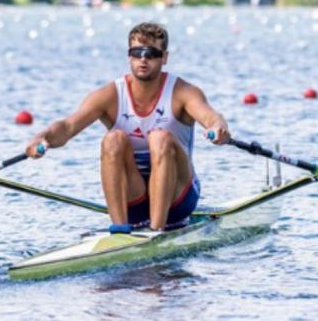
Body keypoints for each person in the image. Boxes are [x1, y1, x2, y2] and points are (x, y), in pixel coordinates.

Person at [25, 22, 230, 232]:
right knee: (113, 139)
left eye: (151, 53)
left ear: (164, 57)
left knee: (160, 138)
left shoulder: (183, 92)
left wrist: (218, 127)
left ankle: (156, 231)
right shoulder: (109, 95)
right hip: (134, 201)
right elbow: (67, 127)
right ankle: (120, 228)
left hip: (177, 200)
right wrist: (42, 138)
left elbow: (211, 117)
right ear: (129, 55)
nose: (143, 59)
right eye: (137, 52)